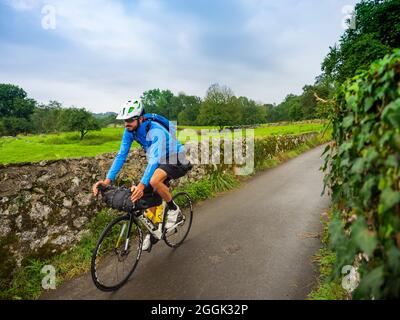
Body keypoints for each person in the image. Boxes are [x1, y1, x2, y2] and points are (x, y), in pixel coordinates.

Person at [92, 98, 191, 252]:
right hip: (160, 160)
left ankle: (174, 210)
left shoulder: (155, 130)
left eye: (130, 120)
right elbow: (121, 155)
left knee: (153, 181)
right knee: (146, 195)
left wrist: (141, 184)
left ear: (140, 118)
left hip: (175, 157)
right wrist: (107, 181)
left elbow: (153, 160)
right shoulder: (129, 131)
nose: (126, 124)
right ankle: (154, 232)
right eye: (125, 120)